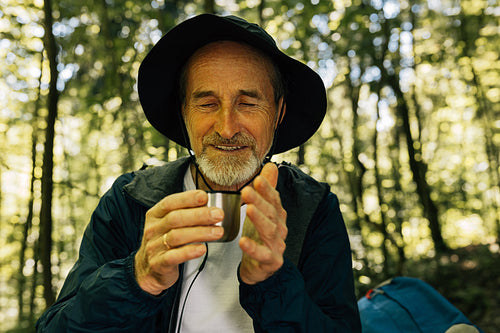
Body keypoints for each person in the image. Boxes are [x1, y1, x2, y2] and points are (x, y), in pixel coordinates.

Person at [36, 14, 361, 332]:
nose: (227, 128)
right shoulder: (130, 200)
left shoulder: (314, 208)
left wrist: (271, 283)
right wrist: (138, 277)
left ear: (278, 113)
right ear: (184, 113)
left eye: (248, 103)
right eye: (206, 104)